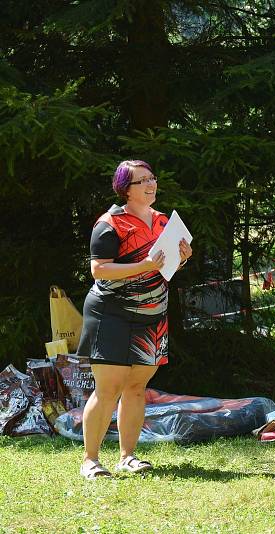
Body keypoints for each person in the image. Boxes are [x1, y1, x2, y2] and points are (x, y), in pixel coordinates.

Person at [76, 160, 192, 479]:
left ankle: (127, 457)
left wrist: (179, 260)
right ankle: (91, 461)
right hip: (111, 314)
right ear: (125, 188)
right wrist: (146, 266)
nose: (151, 184)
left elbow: (164, 267)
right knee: (109, 388)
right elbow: (99, 270)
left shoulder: (163, 221)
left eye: (152, 178)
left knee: (137, 387)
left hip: (152, 316)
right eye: (142, 181)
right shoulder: (110, 223)